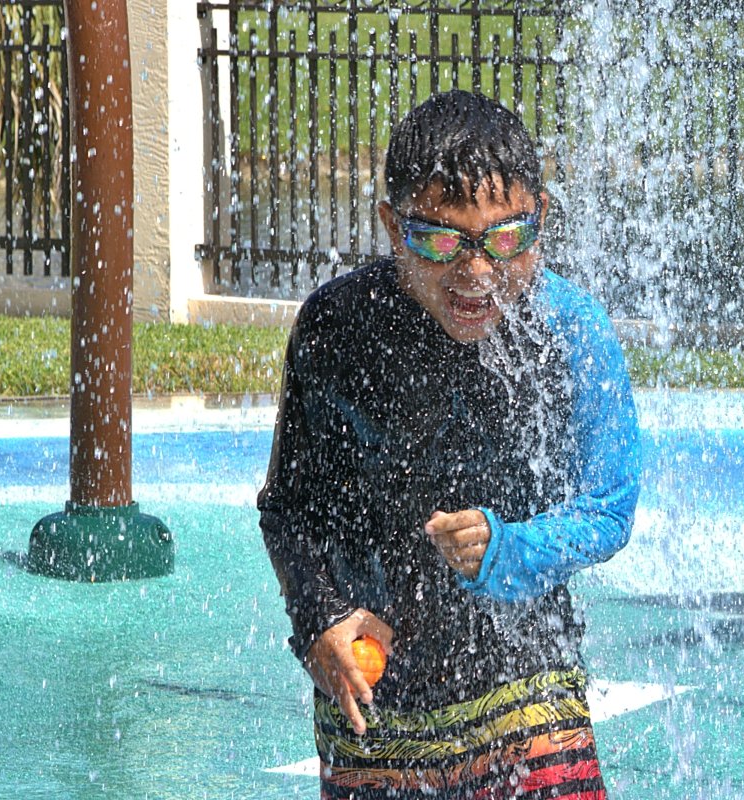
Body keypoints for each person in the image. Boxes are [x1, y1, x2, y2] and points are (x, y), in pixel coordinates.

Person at [258, 89, 640, 800]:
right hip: (377, 703)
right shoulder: (339, 328)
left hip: (528, 687)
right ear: (390, 227)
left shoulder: (570, 333)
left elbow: (610, 506)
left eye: (506, 238)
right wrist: (319, 620)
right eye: (438, 240)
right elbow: (290, 509)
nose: (477, 274)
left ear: (542, 220)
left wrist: (511, 551)